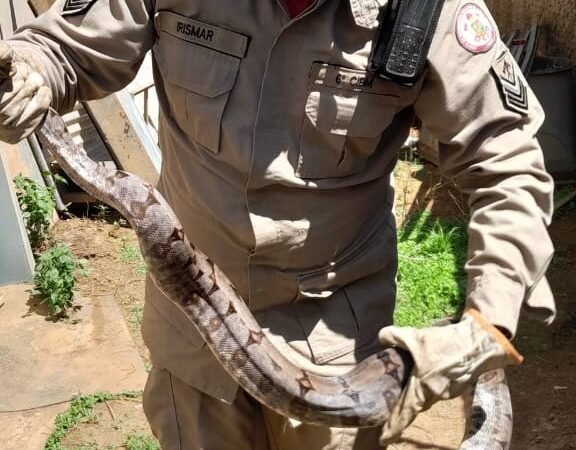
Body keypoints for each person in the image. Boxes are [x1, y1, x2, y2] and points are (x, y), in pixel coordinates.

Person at [0, 0, 556, 448]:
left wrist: (490, 319)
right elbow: (64, 49)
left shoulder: (428, 12)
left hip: (334, 356)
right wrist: (28, 73)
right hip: (192, 344)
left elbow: (506, 164)